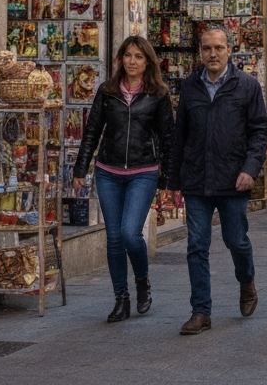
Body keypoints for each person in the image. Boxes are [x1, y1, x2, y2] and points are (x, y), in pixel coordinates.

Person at [167, 24, 267, 335]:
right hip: (197, 179)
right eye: (207, 48)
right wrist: (174, 181)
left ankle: (247, 280)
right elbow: (180, 135)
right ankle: (201, 311)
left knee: (235, 240)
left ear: (229, 50)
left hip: (232, 179)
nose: (213, 54)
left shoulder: (247, 86)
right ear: (200, 52)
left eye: (219, 48)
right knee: (197, 245)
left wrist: (250, 169)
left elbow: (259, 132)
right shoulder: (190, 87)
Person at [71, 35, 175, 322]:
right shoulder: (108, 91)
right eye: (128, 55)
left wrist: (169, 180)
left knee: (131, 233)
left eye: (138, 57)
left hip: (143, 172)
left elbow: (168, 138)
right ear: (120, 59)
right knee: (114, 238)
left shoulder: (158, 94)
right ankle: (121, 298)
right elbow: (92, 131)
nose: (132, 61)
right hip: (109, 173)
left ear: (147, 62)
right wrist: (81, 169)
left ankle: (142, 281)